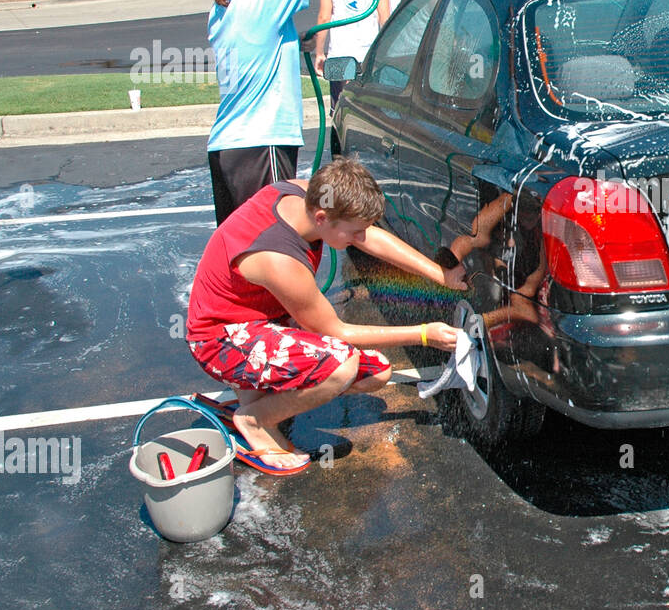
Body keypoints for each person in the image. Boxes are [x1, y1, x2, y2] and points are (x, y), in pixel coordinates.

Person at [186, 157, 467, 474]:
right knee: (341, 367)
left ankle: (256, 399)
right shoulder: (279, 260)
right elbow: (337, 332)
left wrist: (439, 274)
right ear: (322, 218)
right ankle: (253, 420)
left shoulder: (310, 197)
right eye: (354, 233)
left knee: (376, 373)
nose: (360, 239)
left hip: (259, 322)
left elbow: (369, 235)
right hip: (218, 341)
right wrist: (424, 334)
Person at [199, 0, 406, 225]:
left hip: (229, 147)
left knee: (244, 255)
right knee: (274, 248)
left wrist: (294, 44)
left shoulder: (225, 5)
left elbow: (254, 45)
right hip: (261, 142)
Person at [314, 0, 387, 110]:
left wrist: (319, 52)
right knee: (366, 109)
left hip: (339, 53)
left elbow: (324, 18)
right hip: (368, 56)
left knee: (339, 107)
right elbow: (385, 19)